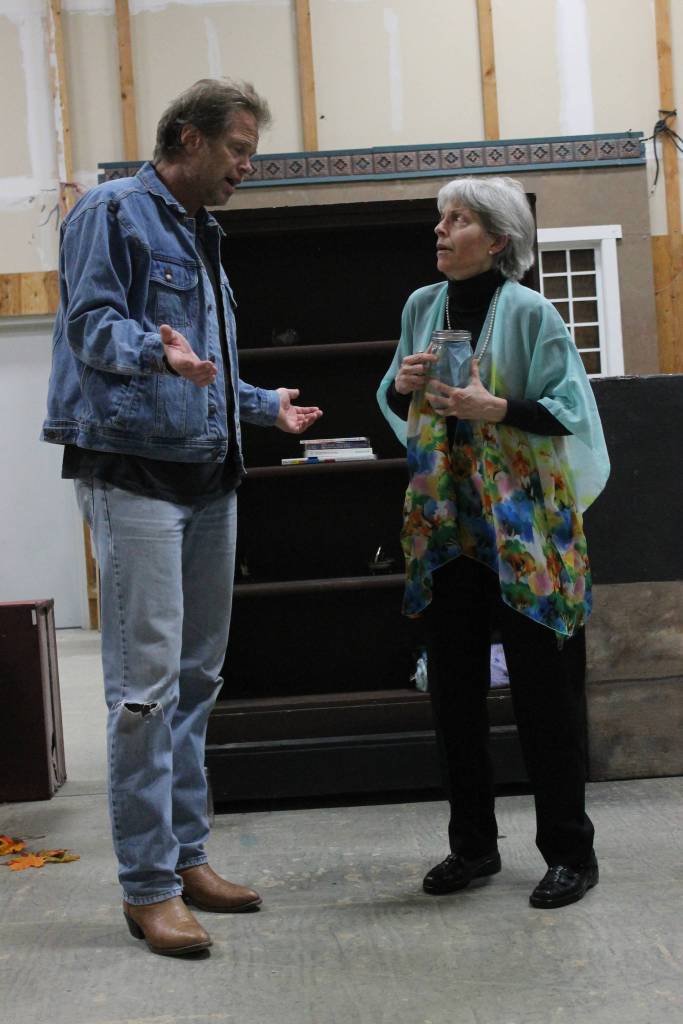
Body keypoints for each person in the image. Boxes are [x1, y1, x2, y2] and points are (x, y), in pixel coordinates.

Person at [41, 78, 322, 956]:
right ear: (189, 139)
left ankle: (188, 855)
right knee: (145, 691)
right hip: (133, 475)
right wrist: (156, 356)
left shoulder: (202, 233)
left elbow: (195, 364)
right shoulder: (114, 213)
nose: (247, 167)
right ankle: (148, 886)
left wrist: (259, 403)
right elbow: (92, 328)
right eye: (238, 150)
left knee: (196, 682)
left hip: (208, 474)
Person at [377, 176, 609, 909]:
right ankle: (471, 847)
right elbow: (394, 398)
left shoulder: (532, 310)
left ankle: (569, 852)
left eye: (459, 220)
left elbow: (568, 407)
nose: (440, 232)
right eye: (439, 219)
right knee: (453, 692)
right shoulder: (422, 305)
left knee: (546, 692)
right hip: (448, 525)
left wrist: (495, 406)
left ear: (499, 239)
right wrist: (404, 382)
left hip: (525, 528)